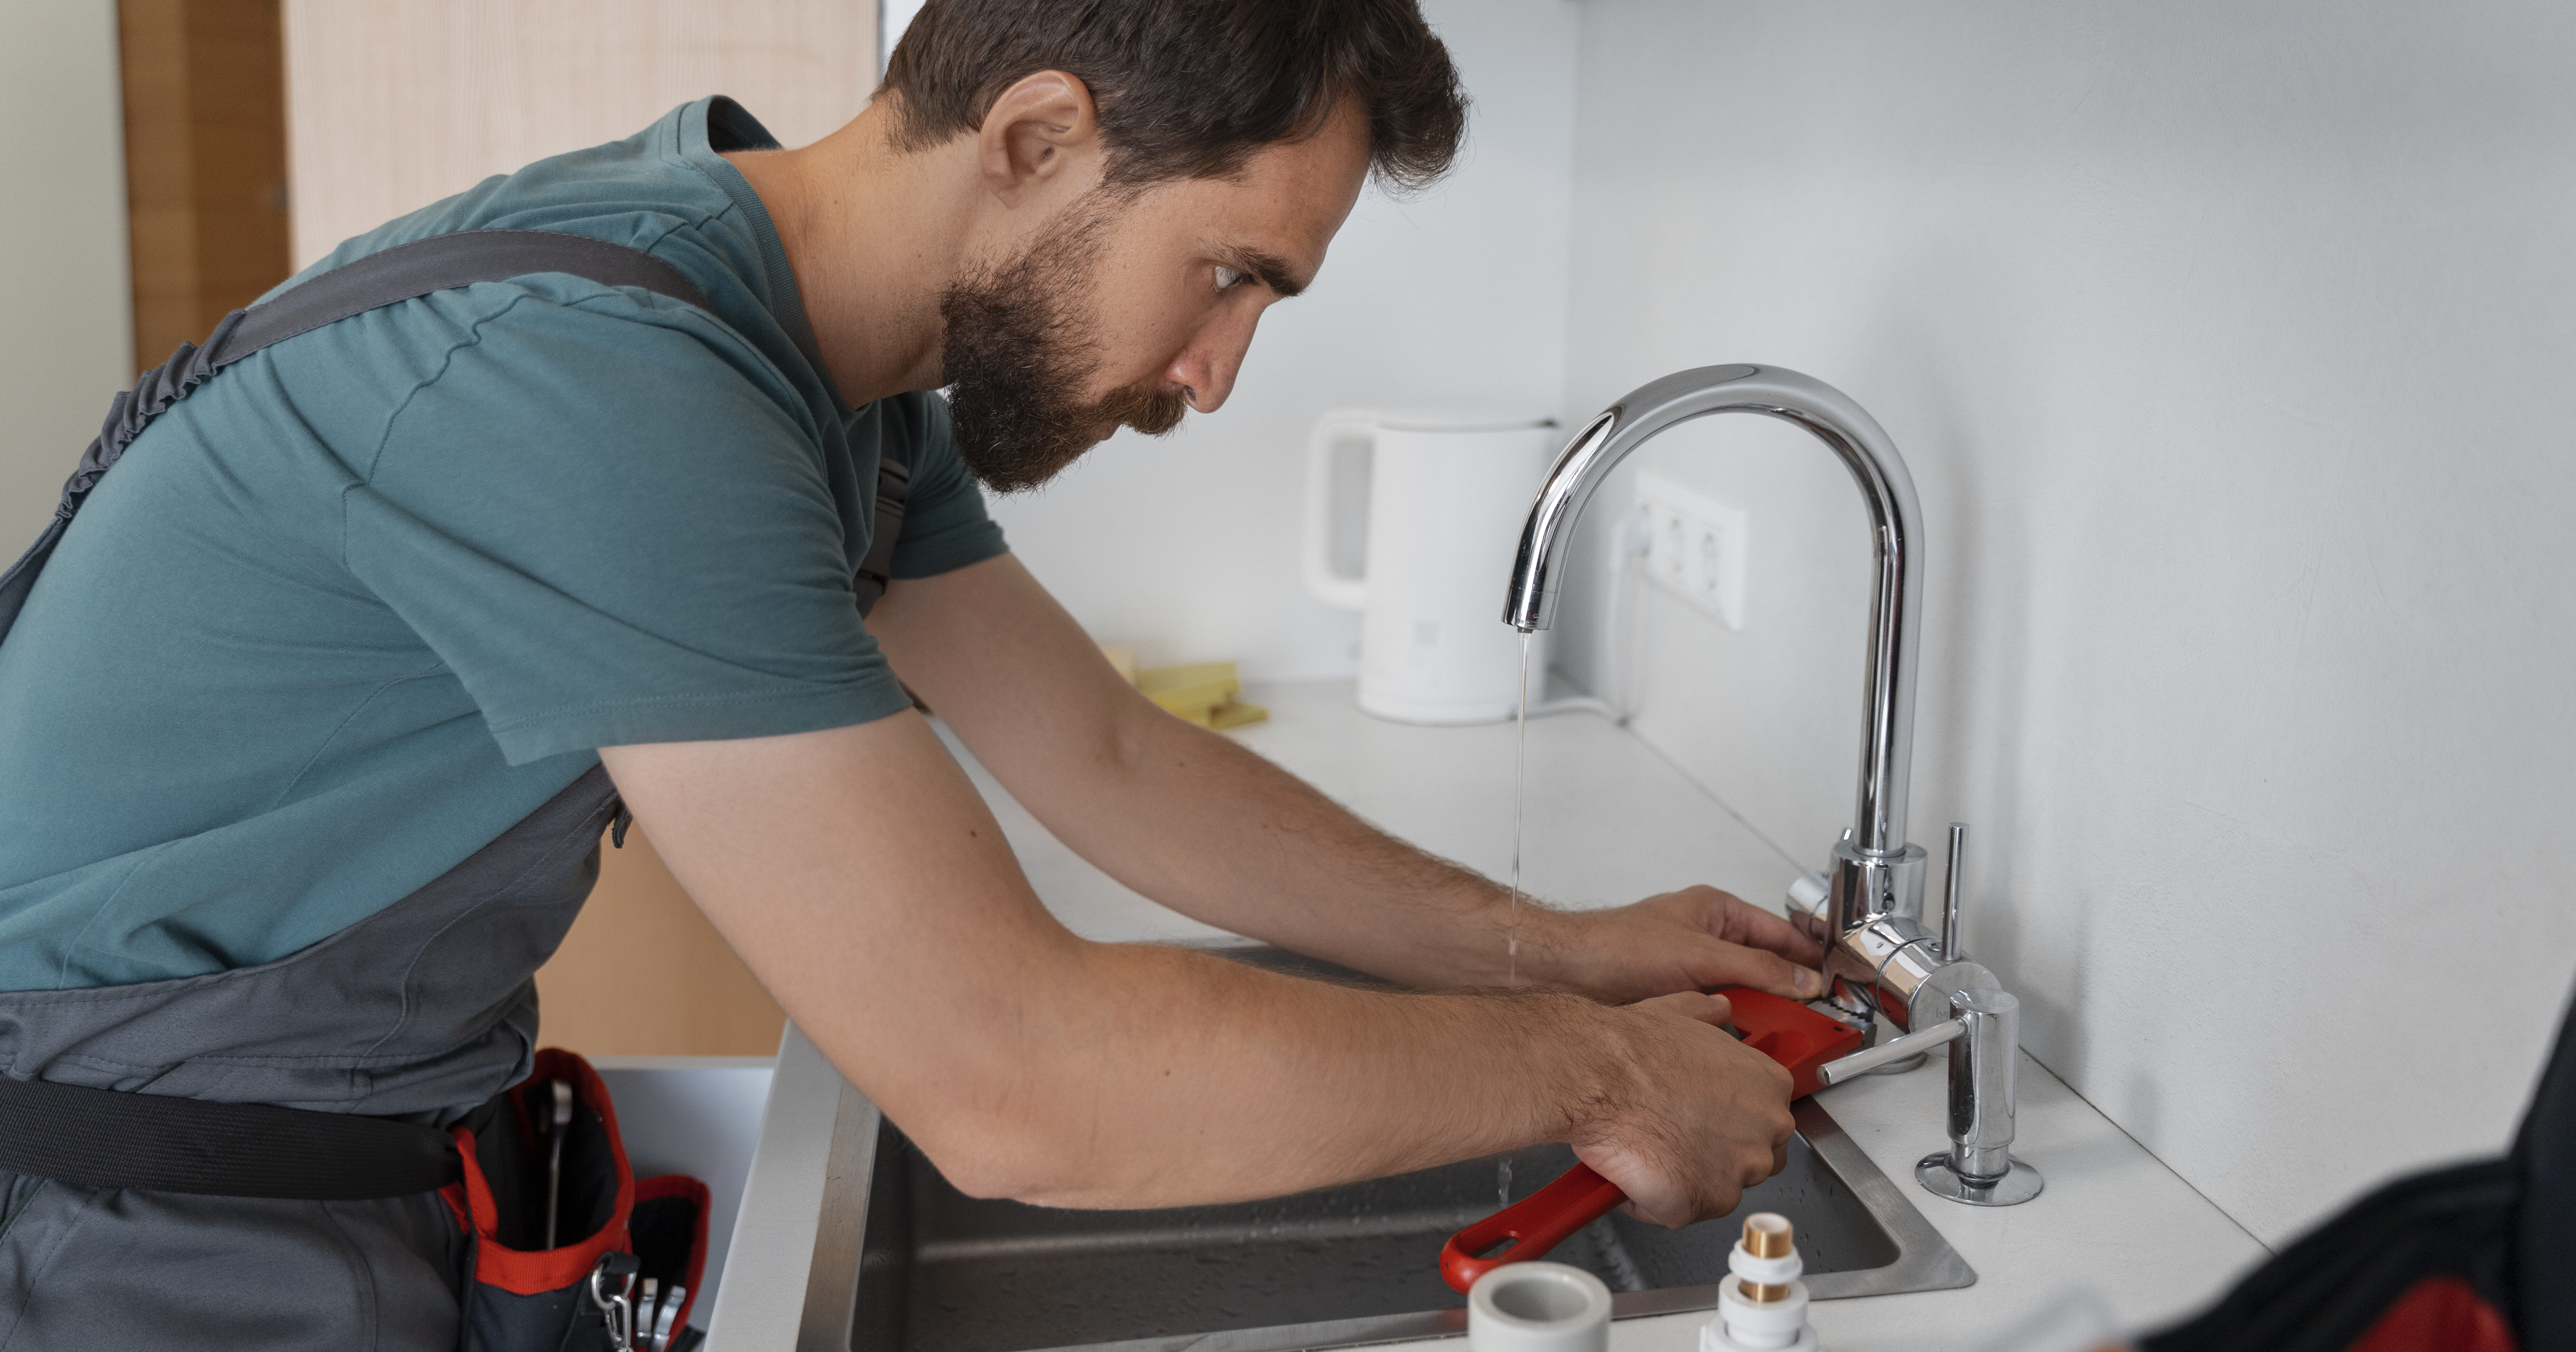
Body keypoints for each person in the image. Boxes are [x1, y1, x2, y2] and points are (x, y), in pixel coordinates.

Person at [0, 2, 1826, 1345]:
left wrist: (1564, 945)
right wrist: (1594, 1073)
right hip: (111, 1213)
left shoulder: (817, 375)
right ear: (1033, 138)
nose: (1218, 374)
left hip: (301, 1154)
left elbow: (1105, 756)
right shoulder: (607, 388)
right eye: (1227, 274)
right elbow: (1007, 1075)